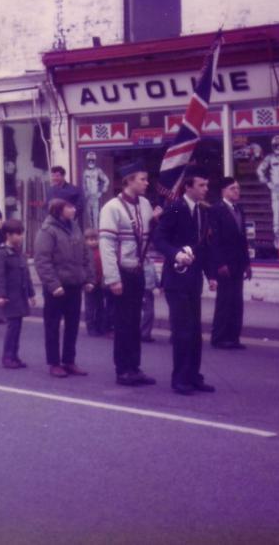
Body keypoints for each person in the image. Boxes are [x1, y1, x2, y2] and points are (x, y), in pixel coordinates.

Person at [152, 165, 214, 396]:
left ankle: (194, 376)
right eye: (201, 185)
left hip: (194, 279)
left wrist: (211, 275)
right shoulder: (176, 208)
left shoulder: (202, 211)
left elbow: (204, 246)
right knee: (182, 331)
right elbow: (159, 238)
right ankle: (179, 379)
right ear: (187, 187)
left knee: (196, 331)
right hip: (176, 279)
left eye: (207, 185)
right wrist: (175, 253)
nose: (205, 189)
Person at [100, 162, 156, 387]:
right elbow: (107, 246)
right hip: (122, 272)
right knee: (123, 324)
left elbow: (150, 234)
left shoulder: (145, 204)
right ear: (128, 181)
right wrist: (113, 279)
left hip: (139, 271)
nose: (146, 183)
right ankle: (123, 370)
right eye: (142, 179)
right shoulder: (111, 207)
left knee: (135, 322)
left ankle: (135, 367)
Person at [34, 198, 93, 378]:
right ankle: (54, 363)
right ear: (59, 210)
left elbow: (86, 254)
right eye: (70, 206)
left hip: (74, 285)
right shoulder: (47, 231)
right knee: (52, 326)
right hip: (57, 287)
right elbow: (42, 260)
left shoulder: (74, 227)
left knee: (73, 325)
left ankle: (69, 361)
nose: (73, 209)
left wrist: (89, 278)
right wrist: (53, 285)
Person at [207, 177, 252, 350]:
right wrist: (220, 263)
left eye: (238, 188)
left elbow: (243, 239)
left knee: (236, 301)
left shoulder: (240, 209)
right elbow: (214, 240)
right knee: (225, 300)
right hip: (224, 263)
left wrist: (247, 264)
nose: (237, 192)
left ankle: (233, 337)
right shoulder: (216, 210)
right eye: (233, 188)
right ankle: (219, 337)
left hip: (238, 262)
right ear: (224, 191)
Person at [0, 219, 34, 368]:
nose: (21, 237)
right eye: (18, 234)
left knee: (17, 328)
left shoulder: (19, 253)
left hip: (20, 296)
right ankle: (8, 357)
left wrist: (31, 294)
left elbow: (26, 275)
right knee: (12, 328)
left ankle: (14, 356)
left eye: (21, 233)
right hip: (9, 297)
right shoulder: (2, 253)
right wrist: (0, 295)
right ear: (8, 235)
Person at [256, 134, 279, 249]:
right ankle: (276, 237)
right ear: (272, 146)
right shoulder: (269, 158)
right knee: (276, 213)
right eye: (276, 145)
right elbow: (260, 170)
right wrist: (267, 183)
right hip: (275, 189)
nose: (278, 147)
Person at [83, 227, 108, 337]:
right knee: (90, 307)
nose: (92, 241)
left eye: (94, 239)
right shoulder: (84, 252)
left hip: (100, 282)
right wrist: (85, 282)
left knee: (100, 305)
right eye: (89, 239)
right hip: (89, 283)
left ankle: (100, 326)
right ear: (85, 241)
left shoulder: (101, 250)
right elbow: (82, 268)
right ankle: (91, 327)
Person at [82, 152, 111, 229]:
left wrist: (101, 191)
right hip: (88, 197)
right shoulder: (85, 172)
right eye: (89, 160)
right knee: (88, 217)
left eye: (92, 160)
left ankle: (96, 234)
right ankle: (91, 234)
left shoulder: (98, 171)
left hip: (95, 197)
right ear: (87, 161)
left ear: (95, 161)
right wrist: (85, 192)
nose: (91, 162)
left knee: (95, 217)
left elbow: (106, 180)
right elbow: (83, 184)